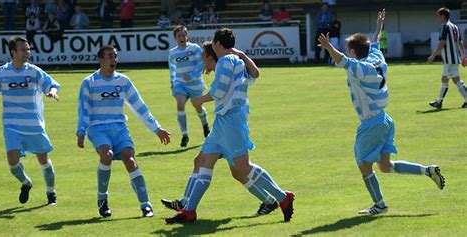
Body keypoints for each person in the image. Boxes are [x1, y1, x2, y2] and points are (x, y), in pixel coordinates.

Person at [318, 9, 445, 215]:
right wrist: (378, 26)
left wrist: (329, 47)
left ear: (352, 52)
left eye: (348, 48)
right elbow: (374, 43)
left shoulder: (362, 68)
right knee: (385, 166)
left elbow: (343, 61)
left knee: (363, 165)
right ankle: (428, 170)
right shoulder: (377, 58)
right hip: (385, 120)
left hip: (372, 123)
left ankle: (380, 204)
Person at [165, 28, 294, 224]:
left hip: (232, 120)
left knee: (243, 168)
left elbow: (219, 90)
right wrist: (241, 54)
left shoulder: (225, 60)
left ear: (217, 44)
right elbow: (256, 74)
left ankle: (283, 197)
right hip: (223, 121)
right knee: (204, 161)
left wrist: (200, 100)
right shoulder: (237, 60)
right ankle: (189, 210)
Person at [76, 45, 171, 218]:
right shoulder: (89, 82)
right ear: (101, 60)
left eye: (115, 56)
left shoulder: (123, 81)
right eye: (110, 56)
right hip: (98, 128)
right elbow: (84, 109)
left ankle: (146, 205)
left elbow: (139, 106)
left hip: (119, 128)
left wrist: (157, 129)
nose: (114, 60)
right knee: (107, 155)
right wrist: (81, 131)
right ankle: (102, 200)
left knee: (131, 161)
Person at [0, 36, 60, 206]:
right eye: (23, 49)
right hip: (12, 125)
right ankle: (26, 183)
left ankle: (51, 192)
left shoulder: (34, 71)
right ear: (13, 52)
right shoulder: (1, 72)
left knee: (43, 160)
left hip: (33, 125)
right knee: (12, 162)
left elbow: (51, 84)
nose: (27, 52)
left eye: (28, 49)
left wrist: (51, 91)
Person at [168, 26, 210, 148]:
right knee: (180, 104)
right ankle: (185, 135)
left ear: (187, 36)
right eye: (179, 36)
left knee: (198, 107)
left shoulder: (194, 48)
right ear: (175, 38)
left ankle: (205, 125)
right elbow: (172, 68)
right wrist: (173, 81)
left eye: (183, 35)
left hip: (195, 84)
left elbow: (201, 63)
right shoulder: (172, 52)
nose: (182, 38)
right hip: (180, 84)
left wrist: (191, 75)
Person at [427, 7, 467, 109]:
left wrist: (433, 55)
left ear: (443, 16)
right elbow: (460, 43)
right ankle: (439, 101)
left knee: (452, 80)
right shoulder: (455, 27)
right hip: (454, 58)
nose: (437, 18)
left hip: (449, 59)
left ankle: (439, 102)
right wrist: (463, 56)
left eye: (438, 16)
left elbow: (442, 42)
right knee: (448, 79)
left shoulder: (444, 26)